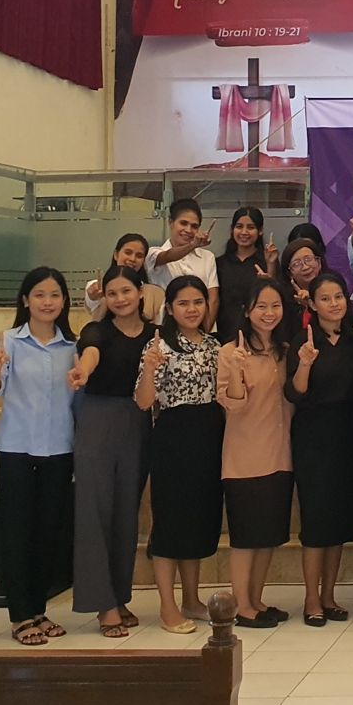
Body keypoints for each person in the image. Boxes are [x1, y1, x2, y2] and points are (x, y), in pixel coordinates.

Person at [0, 267, 77, 646]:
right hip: (16, 450)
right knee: (16, 535)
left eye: (54, 295)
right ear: (25, 300)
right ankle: (20, 616)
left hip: (59, 450)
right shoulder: (8, 341)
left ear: (64, 301)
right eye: (39, 295)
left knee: (47, 536)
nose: (47, 302)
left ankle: (38, 609)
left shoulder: (73, 346)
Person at [69, 265, 157, 637]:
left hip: (137, 422)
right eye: (112, 293)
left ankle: (119, 597)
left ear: (140, 292)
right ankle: (102, 603)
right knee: (96, 510)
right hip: (98, 420)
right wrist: (84, 371)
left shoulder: (155, 334)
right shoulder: (97, 331)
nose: (119, 299)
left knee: (126, 512)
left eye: (126, 291)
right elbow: (90, 354)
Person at [135, 275, 225, 634]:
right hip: (173, 437)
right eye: (183, 303)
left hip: (210, 436)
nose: (192, 309)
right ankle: (167, 606)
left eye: (198, 302)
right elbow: (144, 402)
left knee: (197, 521)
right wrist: (150, 369)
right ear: (169, 309)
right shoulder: (158, 345)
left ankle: (191, 599)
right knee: (171, 524)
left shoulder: (215, 345)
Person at [285, 272, 353, 626]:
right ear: (313, 304)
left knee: (339, 521)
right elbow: (295, 392)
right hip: (313, 437)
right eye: (325, 298)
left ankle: (330, 595)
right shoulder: (303, 340)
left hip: (347, 435)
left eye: (338, 297)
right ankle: (311, 599)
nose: (334, 304)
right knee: (317, 522)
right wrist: (304, 363)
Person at [216, 277, 295, 629]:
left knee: (268, 536)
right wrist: (235, 371)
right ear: (247, 311)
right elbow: (232, 405)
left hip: (280, 454)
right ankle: (241, 605)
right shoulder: (231, 352)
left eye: (275, 306)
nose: (269, 312)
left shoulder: (284, 351)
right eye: (261, 306)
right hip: (245, 458)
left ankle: (257, 599)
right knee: (246, 538)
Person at [146, 199, 220, 329]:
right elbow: (168, 256)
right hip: (164, 329)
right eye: (183, 223)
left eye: (194, 226)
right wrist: (193, 245)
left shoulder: (207, 257)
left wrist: (204, 332)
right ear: (171, 222)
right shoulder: (153, 254)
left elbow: (213, 298)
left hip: (202, 331)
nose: (188, 230)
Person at [216, 206, 279, 342]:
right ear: (232, 229)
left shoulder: (268, 261)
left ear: (260, 231)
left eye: (250, 227)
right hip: (225, 334)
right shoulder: (220, 263)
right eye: (239, 226)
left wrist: (270, 268)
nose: (244, 232)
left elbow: (275, 297)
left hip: (258, 335)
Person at [84, 233, 165, 322]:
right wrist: (93, 297)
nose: (132, 259)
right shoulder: (98, 287)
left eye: (139, 256)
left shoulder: (155, 293)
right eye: (128, 253)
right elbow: (93, 305)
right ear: (116, 255)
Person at [279, 236, 326, 327]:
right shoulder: (284, 300)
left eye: (308, 259)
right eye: (296, 264)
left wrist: (311, 304)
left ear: (319, 262)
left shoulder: (333, 287)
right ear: (289, 273)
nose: (305, 267)